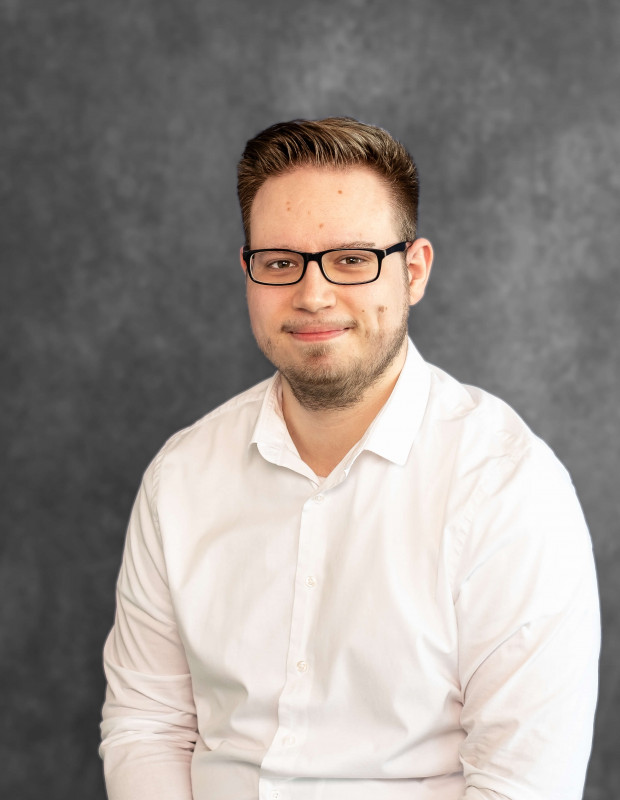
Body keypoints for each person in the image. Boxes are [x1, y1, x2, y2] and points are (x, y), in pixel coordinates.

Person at [99, 117, 600, 800]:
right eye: (281, 262)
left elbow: (521, 785)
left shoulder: (510, 489)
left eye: (353, 259)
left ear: (413, 272)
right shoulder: (181, 477)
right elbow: (147, 724)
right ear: (248, 272)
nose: (313, 294)